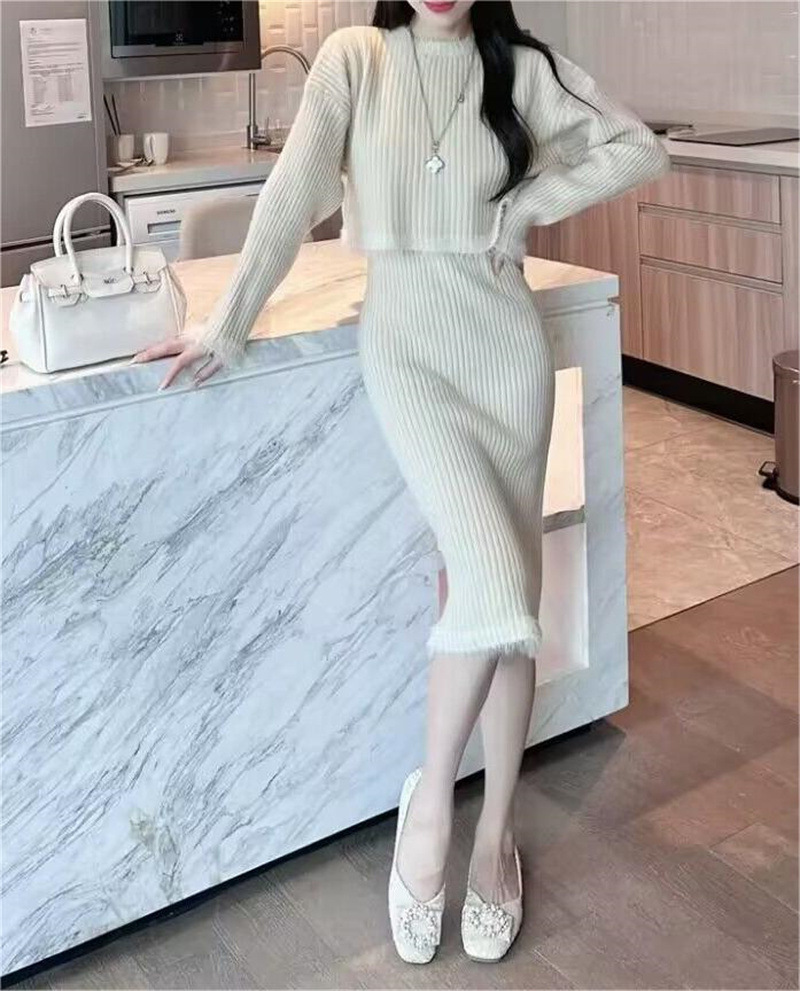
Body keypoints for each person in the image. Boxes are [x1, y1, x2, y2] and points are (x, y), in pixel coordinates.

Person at [133, 0, 671, 965]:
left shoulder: (521, 69)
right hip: (410, 353)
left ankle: (495, 831)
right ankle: (430, 807)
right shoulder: (355, 60)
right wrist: (229, 320)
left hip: (507, 353)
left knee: (510, 605)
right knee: (494, 585)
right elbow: (294, 193)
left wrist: (527, 204)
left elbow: (638, 148)